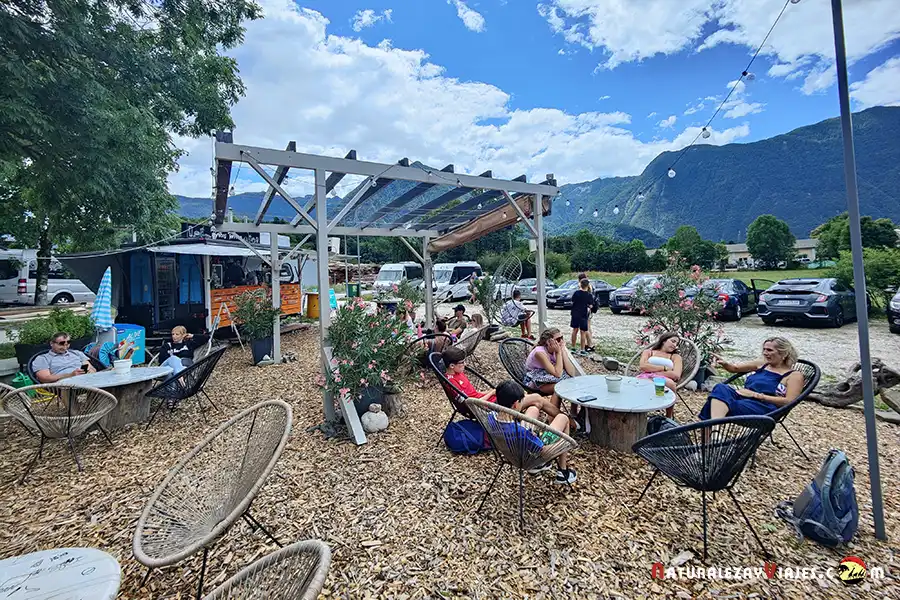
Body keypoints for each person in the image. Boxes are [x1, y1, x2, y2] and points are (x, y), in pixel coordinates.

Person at [699, 337, 804, 420]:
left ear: (783, 354)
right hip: (744, 397)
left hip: (764, 407)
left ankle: (712, 438)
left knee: (716, 402)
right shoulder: (762, 364)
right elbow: (734, 368)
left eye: (769, 350)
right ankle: (715, 433)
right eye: (764, 349)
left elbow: (789, 401)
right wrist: (724, 363)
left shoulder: (793, 375)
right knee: (720, 388)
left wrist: (757, 395)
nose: (765, 353)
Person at [495, 381, 577, 484]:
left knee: (533, 409)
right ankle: (562, 472)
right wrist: (564, 442)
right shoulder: (522, 432)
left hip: (514, 449)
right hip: (532, 457)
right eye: (521, 401)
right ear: (516, 404)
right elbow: (543, 450)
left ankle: (549, 467)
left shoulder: (491, 417)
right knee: (563, 418)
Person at [523, 328, 578, 401]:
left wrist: (563, 351)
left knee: (571, 383)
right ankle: (554, 411)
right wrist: (558, 353)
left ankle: (572, 411)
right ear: (548, 342)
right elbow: (558, 373)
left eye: (562, 338)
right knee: (562, 387)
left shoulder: (555, 350)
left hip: (548, 379)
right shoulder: (539, 352)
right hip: (533, 381)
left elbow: (572, 373)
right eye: (558, 339)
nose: (561, 341)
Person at [637, 332, 683, 418]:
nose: (675, 345)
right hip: (645, 376)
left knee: (670, 384)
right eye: (673, 341)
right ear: (664, 341)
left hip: (663, 379)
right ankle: (639, 412)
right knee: (638, 383)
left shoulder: (675, 357)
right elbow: (643, 366)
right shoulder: (648, 352)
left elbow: (676, 374)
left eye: (676, 343)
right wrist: (665, 368)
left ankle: (669, 416)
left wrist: (654, 372)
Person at [32, 332, 96, 383]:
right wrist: (70, 375)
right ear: (52, 343)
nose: (65, 347)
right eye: (61, 343)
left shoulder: (76, 353)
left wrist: (89, 371)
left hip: (85, 380)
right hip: (63, 385)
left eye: (68, 343)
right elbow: (44, 378)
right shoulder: (43, 358)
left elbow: (89, 367)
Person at [569, 279, 595, 353]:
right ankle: (582, 349)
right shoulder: (589, 295)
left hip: (575, 313)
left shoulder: (576, 293)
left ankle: (573, 347)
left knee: (574, 330)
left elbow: (573, 300)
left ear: (580, 284)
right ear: (587, 286)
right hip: (583, 314)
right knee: (583, 332)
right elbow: (591, 306)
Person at [577, 272, 596, 352]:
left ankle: (590, 345)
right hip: (589, 309)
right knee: (589, 327)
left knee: (585, 328)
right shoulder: (590, 286)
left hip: (584, 309)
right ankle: (589, 343)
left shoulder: (582, 287)